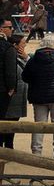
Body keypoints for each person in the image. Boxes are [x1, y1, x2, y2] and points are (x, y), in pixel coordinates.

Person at [0, 20, 26, 149]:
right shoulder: (7, 48)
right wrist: (11, 87)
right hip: (5, 91)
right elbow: (11, 72)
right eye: (9, 27)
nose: (12, 29)